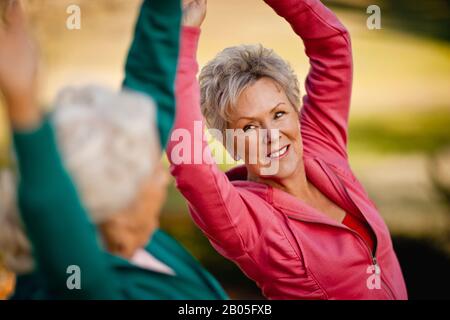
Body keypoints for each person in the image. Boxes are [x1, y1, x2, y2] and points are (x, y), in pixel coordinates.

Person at [168, 0, 408, 299]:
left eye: (279, 114)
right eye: (249, 128)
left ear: (296, 112)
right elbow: (191, 166)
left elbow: (333, 46)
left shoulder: (321, 147)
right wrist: (184, 36)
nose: (272, 135)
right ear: (229, 144)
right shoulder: (250, 223)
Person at [0, 0, 227, 299]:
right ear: (117, 207)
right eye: (151, 169)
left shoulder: (128, 233)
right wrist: (24, 110)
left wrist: (163, 9)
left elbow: (149, 87)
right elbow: (56, 216)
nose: (163, 175)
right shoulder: (86, 287)